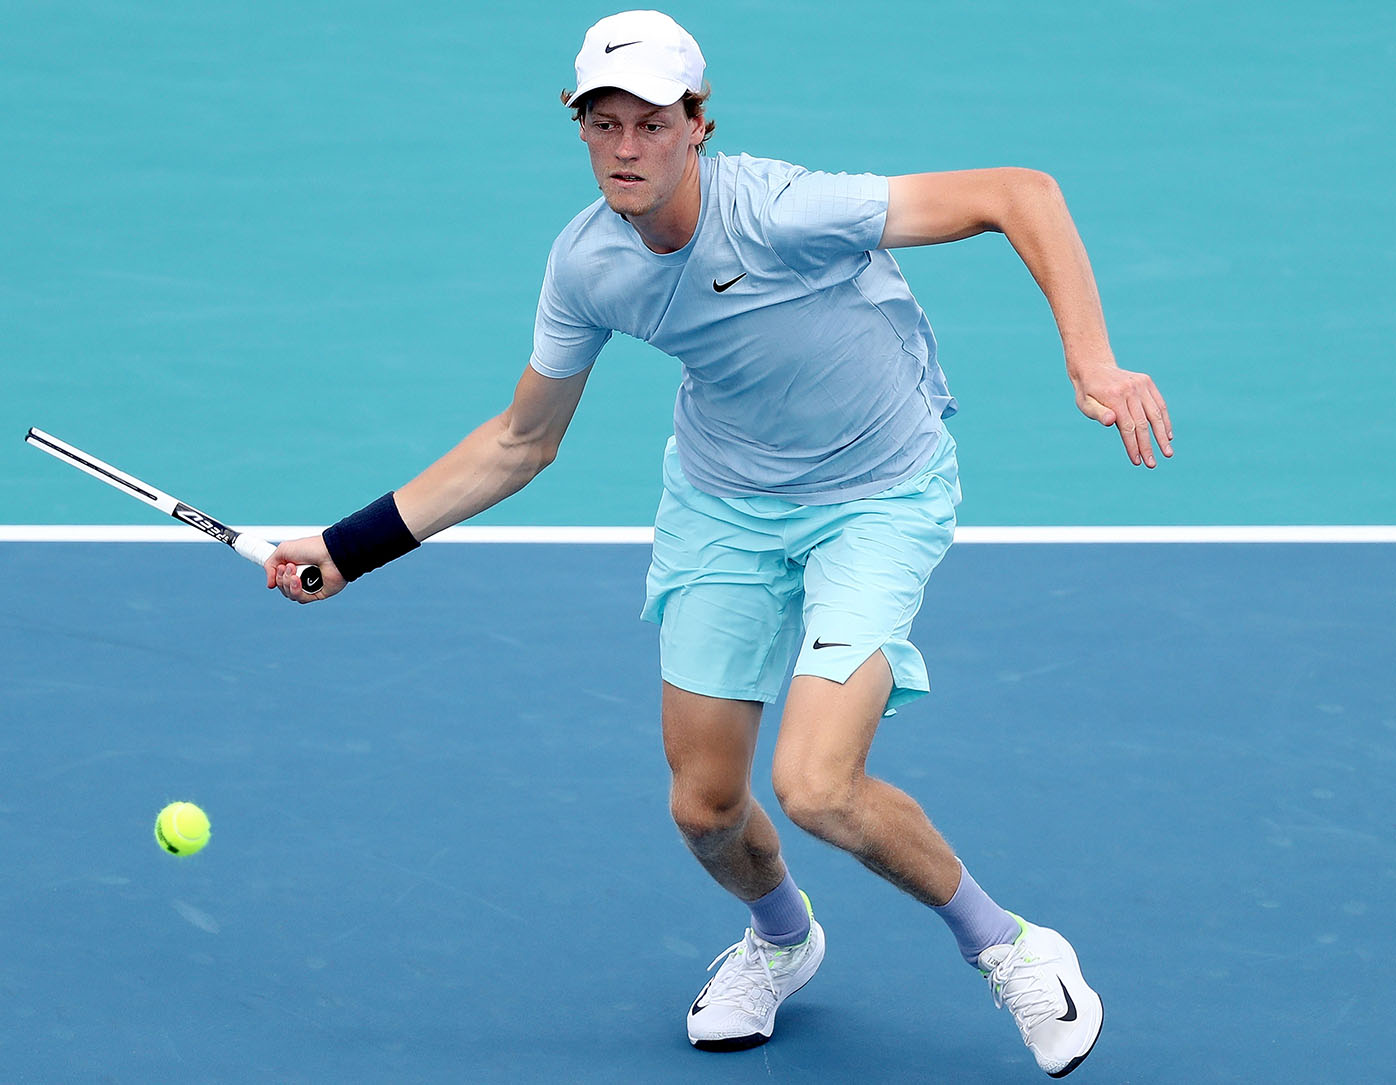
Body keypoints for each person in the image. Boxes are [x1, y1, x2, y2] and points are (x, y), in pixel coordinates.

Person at [267, 10, 1170, 1077]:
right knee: (704, 807)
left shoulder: (785, 211)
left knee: (819, 784)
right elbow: (520, 440)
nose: (625, 147)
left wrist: (1093, 361)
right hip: (724, 506)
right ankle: (782, 941)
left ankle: (1010, 944)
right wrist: (350, 545)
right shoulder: (588, 264)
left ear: (698, 124)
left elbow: (1021, 193)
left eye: (650, 123)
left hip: (874, 497)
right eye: (601, 124)